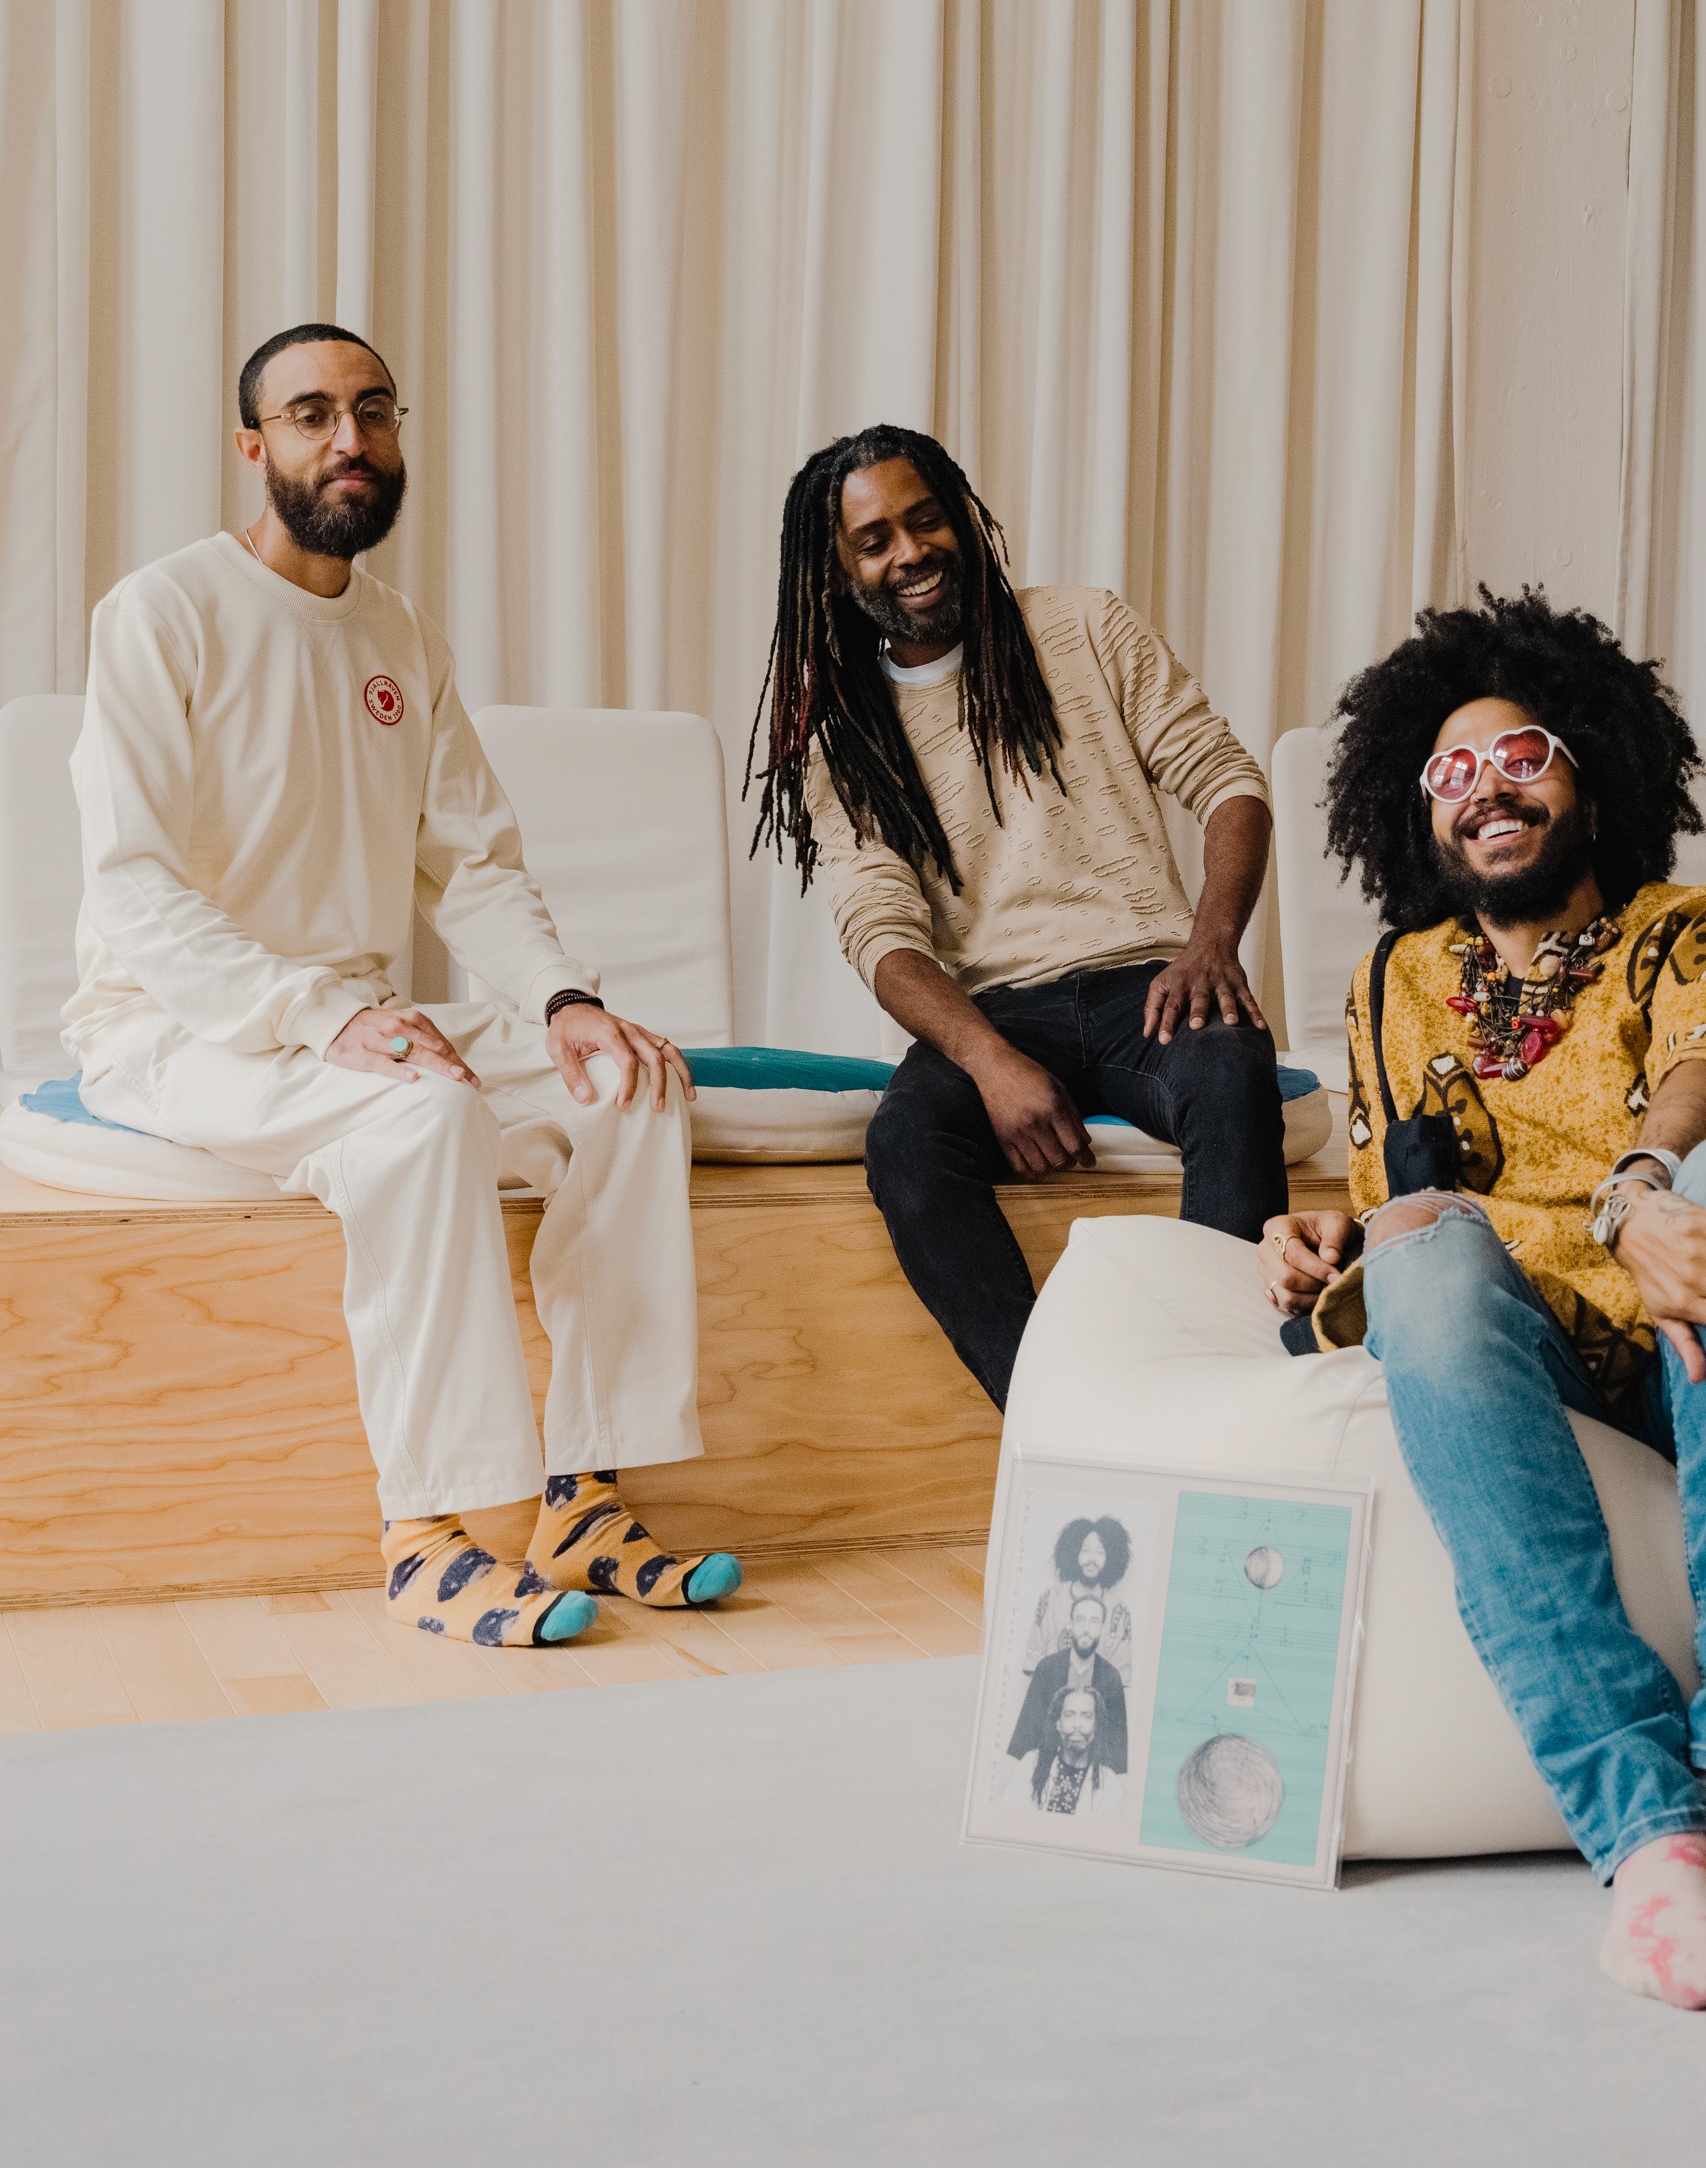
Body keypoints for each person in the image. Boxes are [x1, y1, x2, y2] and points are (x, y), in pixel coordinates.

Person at [1255, 589, 1706, 2010]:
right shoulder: (1392, 983)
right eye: (1450, 770)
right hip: (1536, 1357)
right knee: (1416, 1246)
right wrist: (1329, 1236)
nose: (1485, 786)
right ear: (1416, 817)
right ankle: (1647, 1829)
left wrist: (1647, 1190)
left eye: (1521, 755)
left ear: (1594, 780)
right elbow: (1409, 1191)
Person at [65, 322, 744, 1649]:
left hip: (356, 1018)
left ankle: (583, 1498)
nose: (350, 439)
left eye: (373, 410)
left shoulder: (401, 637)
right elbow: (134, 888)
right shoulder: (159, 615)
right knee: (429, 1115)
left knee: (628, 1082)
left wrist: (563, 1003)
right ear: (253, 446)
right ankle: (427, 1536)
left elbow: (471, 863)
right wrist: (328, 1016)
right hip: (179, 1027)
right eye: (312, 414)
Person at [749, 423, 1286, 1408]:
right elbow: (880, 935)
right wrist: (988, 1060)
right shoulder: (845, 737)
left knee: (1228, 1066)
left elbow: (1227, 783)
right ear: (836, 572)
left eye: (925, 519)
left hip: (1147, 983)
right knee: (905, 1146)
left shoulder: (1083, 625)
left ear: (961, 516)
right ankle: (1056, 1414)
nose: (910, 551)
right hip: (988, 1011)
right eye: (874, 540)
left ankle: (1221, 1400)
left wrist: (1211, 945)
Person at [1008, 1595, 1130, 1774]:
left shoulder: (1111, 1677)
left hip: (1091, 1774)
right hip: (1046, 1769)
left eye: (1094, 1621)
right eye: (1080, 1620)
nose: (1086, 1629)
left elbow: (1116, 1746)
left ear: (1102, 1628)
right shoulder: (1047, 1668)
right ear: (1071, 1624)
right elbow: (1027, 1732)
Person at [1021, 1516, 1135, 1685]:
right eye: (1085, 1550)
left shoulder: (1118, 1610)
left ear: (1110, 1558)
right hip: (1049, 1696)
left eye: (1100, 1552)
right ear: (1074, 1553)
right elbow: (1034, 1666)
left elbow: (1117, 1682)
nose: (1092, 1559)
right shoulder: (1051, 1599)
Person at [1003, 1685, 1125, 1820]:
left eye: (1087, 1716)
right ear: (1058, 1724)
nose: (1077, 1724)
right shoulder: (1031, 1764)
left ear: (1096, 1725)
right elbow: (1006, 1820)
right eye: (1069, 1715)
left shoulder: (1109, 1783)